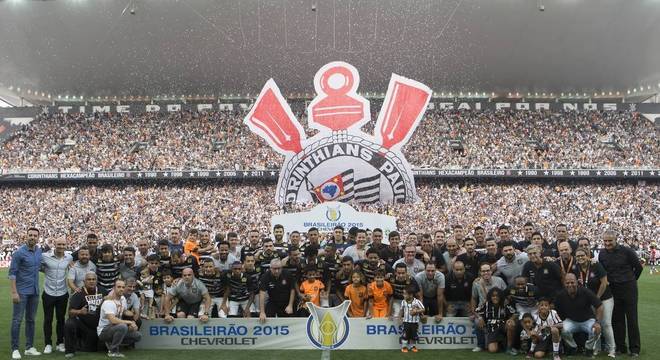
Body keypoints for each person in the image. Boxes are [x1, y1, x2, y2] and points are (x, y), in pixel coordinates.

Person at [598, 230, 642, 357]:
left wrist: (631, 280)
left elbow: (638, 268)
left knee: (632, 319)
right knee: (617, 319)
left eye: (610, 240)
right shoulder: (602, 253)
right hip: (614, 289)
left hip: (629, 288)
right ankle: (620, 347)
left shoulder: (627, 251)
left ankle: (634, 349)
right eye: (605, 241)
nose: (607, 243)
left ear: (615, 239)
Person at [574, 248, 615, 358]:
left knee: (606, 324)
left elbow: (604, 283)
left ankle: (612, 349)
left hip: (604, 298)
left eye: (582, 255)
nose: (580, 258)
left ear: (587, 255)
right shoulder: (576, 268)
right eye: (578, 256)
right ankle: (596, 348)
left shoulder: (596, 265)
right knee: (594, 325)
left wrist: (596, 299)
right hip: (590, 302)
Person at [9, 227, 43, 360]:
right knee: (17, 320)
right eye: (30, 235)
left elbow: (40, 267)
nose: (33, 237)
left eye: (35, 235)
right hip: (21, 292)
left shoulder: (39, 251)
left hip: (34, 292)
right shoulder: (19, 253)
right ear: (26, 236)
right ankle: (15, 349)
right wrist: (14, 292)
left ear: (38, 237)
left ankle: (29, 347)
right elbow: (12, 273)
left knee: (31, 320)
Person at [554, 273, 603, 357]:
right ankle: (573, 347)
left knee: (596, 329)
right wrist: (562, 321)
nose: (570, 285)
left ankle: (589, 349)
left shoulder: (585, 292)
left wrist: (597, 322)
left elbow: (600, 306)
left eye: (572, 282)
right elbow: (557, 309)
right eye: (567, 283)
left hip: (587, 320)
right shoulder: (560, 295)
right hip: (571, 321)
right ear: (564, 283)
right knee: (563, 329)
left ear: (577, 282)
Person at [40, 237, 73, 354]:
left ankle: (60, 342)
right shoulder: (45, 256)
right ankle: (48, 344)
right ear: (55, 244)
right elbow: (38, 266)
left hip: (62, 293)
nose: (61, 247)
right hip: (48, 293)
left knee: (61, 319)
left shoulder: (69, 257)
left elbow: (73, 266)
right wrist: (46, 271)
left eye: (63, 244)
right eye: (59, 244)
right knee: (48, 319)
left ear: (66, 245)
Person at [97, 279, 142, 357]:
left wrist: (133, 317)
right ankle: (113, 351)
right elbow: (113, 320)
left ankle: (111, 342)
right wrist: (129, 322)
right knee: (122, 326)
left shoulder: (122, 299)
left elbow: (124, 311)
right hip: (104, 331)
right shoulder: (108, 302)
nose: (121, 289)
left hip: (115, 328)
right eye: (119, 287)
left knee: (137, 336)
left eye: (123, 287)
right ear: (114, 288)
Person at [64, 272, 103, 357]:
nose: (91, 281)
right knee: (69, 323)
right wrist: (80, 312)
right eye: (89, 279)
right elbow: (70, 312)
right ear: (84, 281)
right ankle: (69, 351)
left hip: (99, 326)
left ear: (96, 281)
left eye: (93, 279)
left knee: (94, 349)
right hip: (83, 326)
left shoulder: (103, 291)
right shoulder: (79, 293)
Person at [470, 263, 507, 352]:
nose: (486, 273)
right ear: (480, 272)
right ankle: (480, 345)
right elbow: (474, 298)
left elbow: (506, 296)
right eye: (483, 271)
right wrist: (475, 314)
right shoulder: (476, 283)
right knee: (477, 321)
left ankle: (504, 344)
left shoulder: (499, 280)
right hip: (483, 311)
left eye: (487, 270)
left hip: (498, 310)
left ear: (491, 271)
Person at [475, 287, 517, 354]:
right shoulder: (486, 304)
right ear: (490, 297)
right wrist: (480, 318)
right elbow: (476, 311)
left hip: (503, 326)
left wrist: (510, 319)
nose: (495, 297)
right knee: (493, 350)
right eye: (493, 296)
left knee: (511, 324)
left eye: (497, 296)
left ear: (500, 296)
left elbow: (515, 313)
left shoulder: (505, 304)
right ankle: (499, 343)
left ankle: (509, 348)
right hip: (492, 329)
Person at [399, 286, 425, 353]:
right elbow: (401, 311)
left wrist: (416, 311)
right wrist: (399, 318)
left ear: (410, 295)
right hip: (406, 322)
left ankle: (412, 346)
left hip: (414, 322)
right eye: (403, 293)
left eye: (405, 294)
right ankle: (404, 347)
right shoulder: (403, 302)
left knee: (414, 335)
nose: (403, 295)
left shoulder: (417, 302)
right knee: (405, 335)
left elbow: (423, 309)